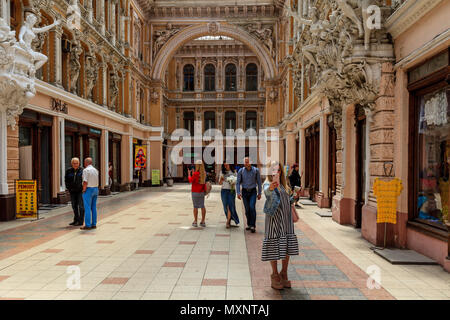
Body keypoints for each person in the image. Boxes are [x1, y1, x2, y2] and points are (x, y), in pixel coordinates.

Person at [262, 161, 300, 290]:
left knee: (286, 245)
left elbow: (288, 200)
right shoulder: (268, 184)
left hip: (286, 220)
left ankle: (284, 272)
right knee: (273, 245)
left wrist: (294, 197)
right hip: (274, 220)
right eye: (273, 170)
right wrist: (272, 187)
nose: (276, 172)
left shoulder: (285, 185)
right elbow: (267, 194)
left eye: (278, 170)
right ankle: (274, 274)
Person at [236, 157, 262, 233]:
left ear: (250, 162)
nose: (246, 163)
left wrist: (259, 193)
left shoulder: (256, 170)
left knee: (252, 207)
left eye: (247, 162)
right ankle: (249, 224)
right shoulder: (241, 171)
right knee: (247, 209)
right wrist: (238, 192)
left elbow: (259, 182)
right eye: (245, 162)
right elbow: (238, 182)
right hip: (244, 192)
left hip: (253, 191)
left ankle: (253, 225)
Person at [218, 162, 240, 228]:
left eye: (227, 165)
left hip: (231, 191)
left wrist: (233, 182)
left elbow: (237, 182)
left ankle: (228, 221)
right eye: (224, 165)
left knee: (230, 206)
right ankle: (229, 219)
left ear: (230, 164)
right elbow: (219, 183)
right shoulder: (222, 172)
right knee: (225, 206)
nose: (226, 166)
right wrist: (221, 180)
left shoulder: (234, 172)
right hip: (224, 191)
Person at [80, 157, 99, 230]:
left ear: (86, 163)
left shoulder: (86, 170)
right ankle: (94, 224)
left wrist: (84, 190)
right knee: (93, 207)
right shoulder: (95, 170)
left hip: (88, 189)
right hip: (95, 189)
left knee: (87, 207)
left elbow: (85, 181)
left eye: (84, 162)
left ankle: (87, 225)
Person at [64, 157, 84, 226]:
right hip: (72, 191)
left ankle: (81, 221)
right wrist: (69, 188)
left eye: (77, 163)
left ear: (79, 163)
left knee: (81, 206)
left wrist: (83, 189)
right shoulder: (68, 171)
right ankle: (76, 220)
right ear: (71, 164)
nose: (75, 164)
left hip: (80, 191)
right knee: (74, 206)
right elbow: (66, 181)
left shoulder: (83, 170)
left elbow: (84, 181)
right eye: (74, 163)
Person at [188, 159, 207, 227]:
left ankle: (195, 221)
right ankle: (203, 221)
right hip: (202, 192)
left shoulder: (196, 173)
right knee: (202, 206)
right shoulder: (204, 173)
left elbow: (190, 180)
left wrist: (189, 174)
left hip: (195, 192)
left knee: (195, 206)